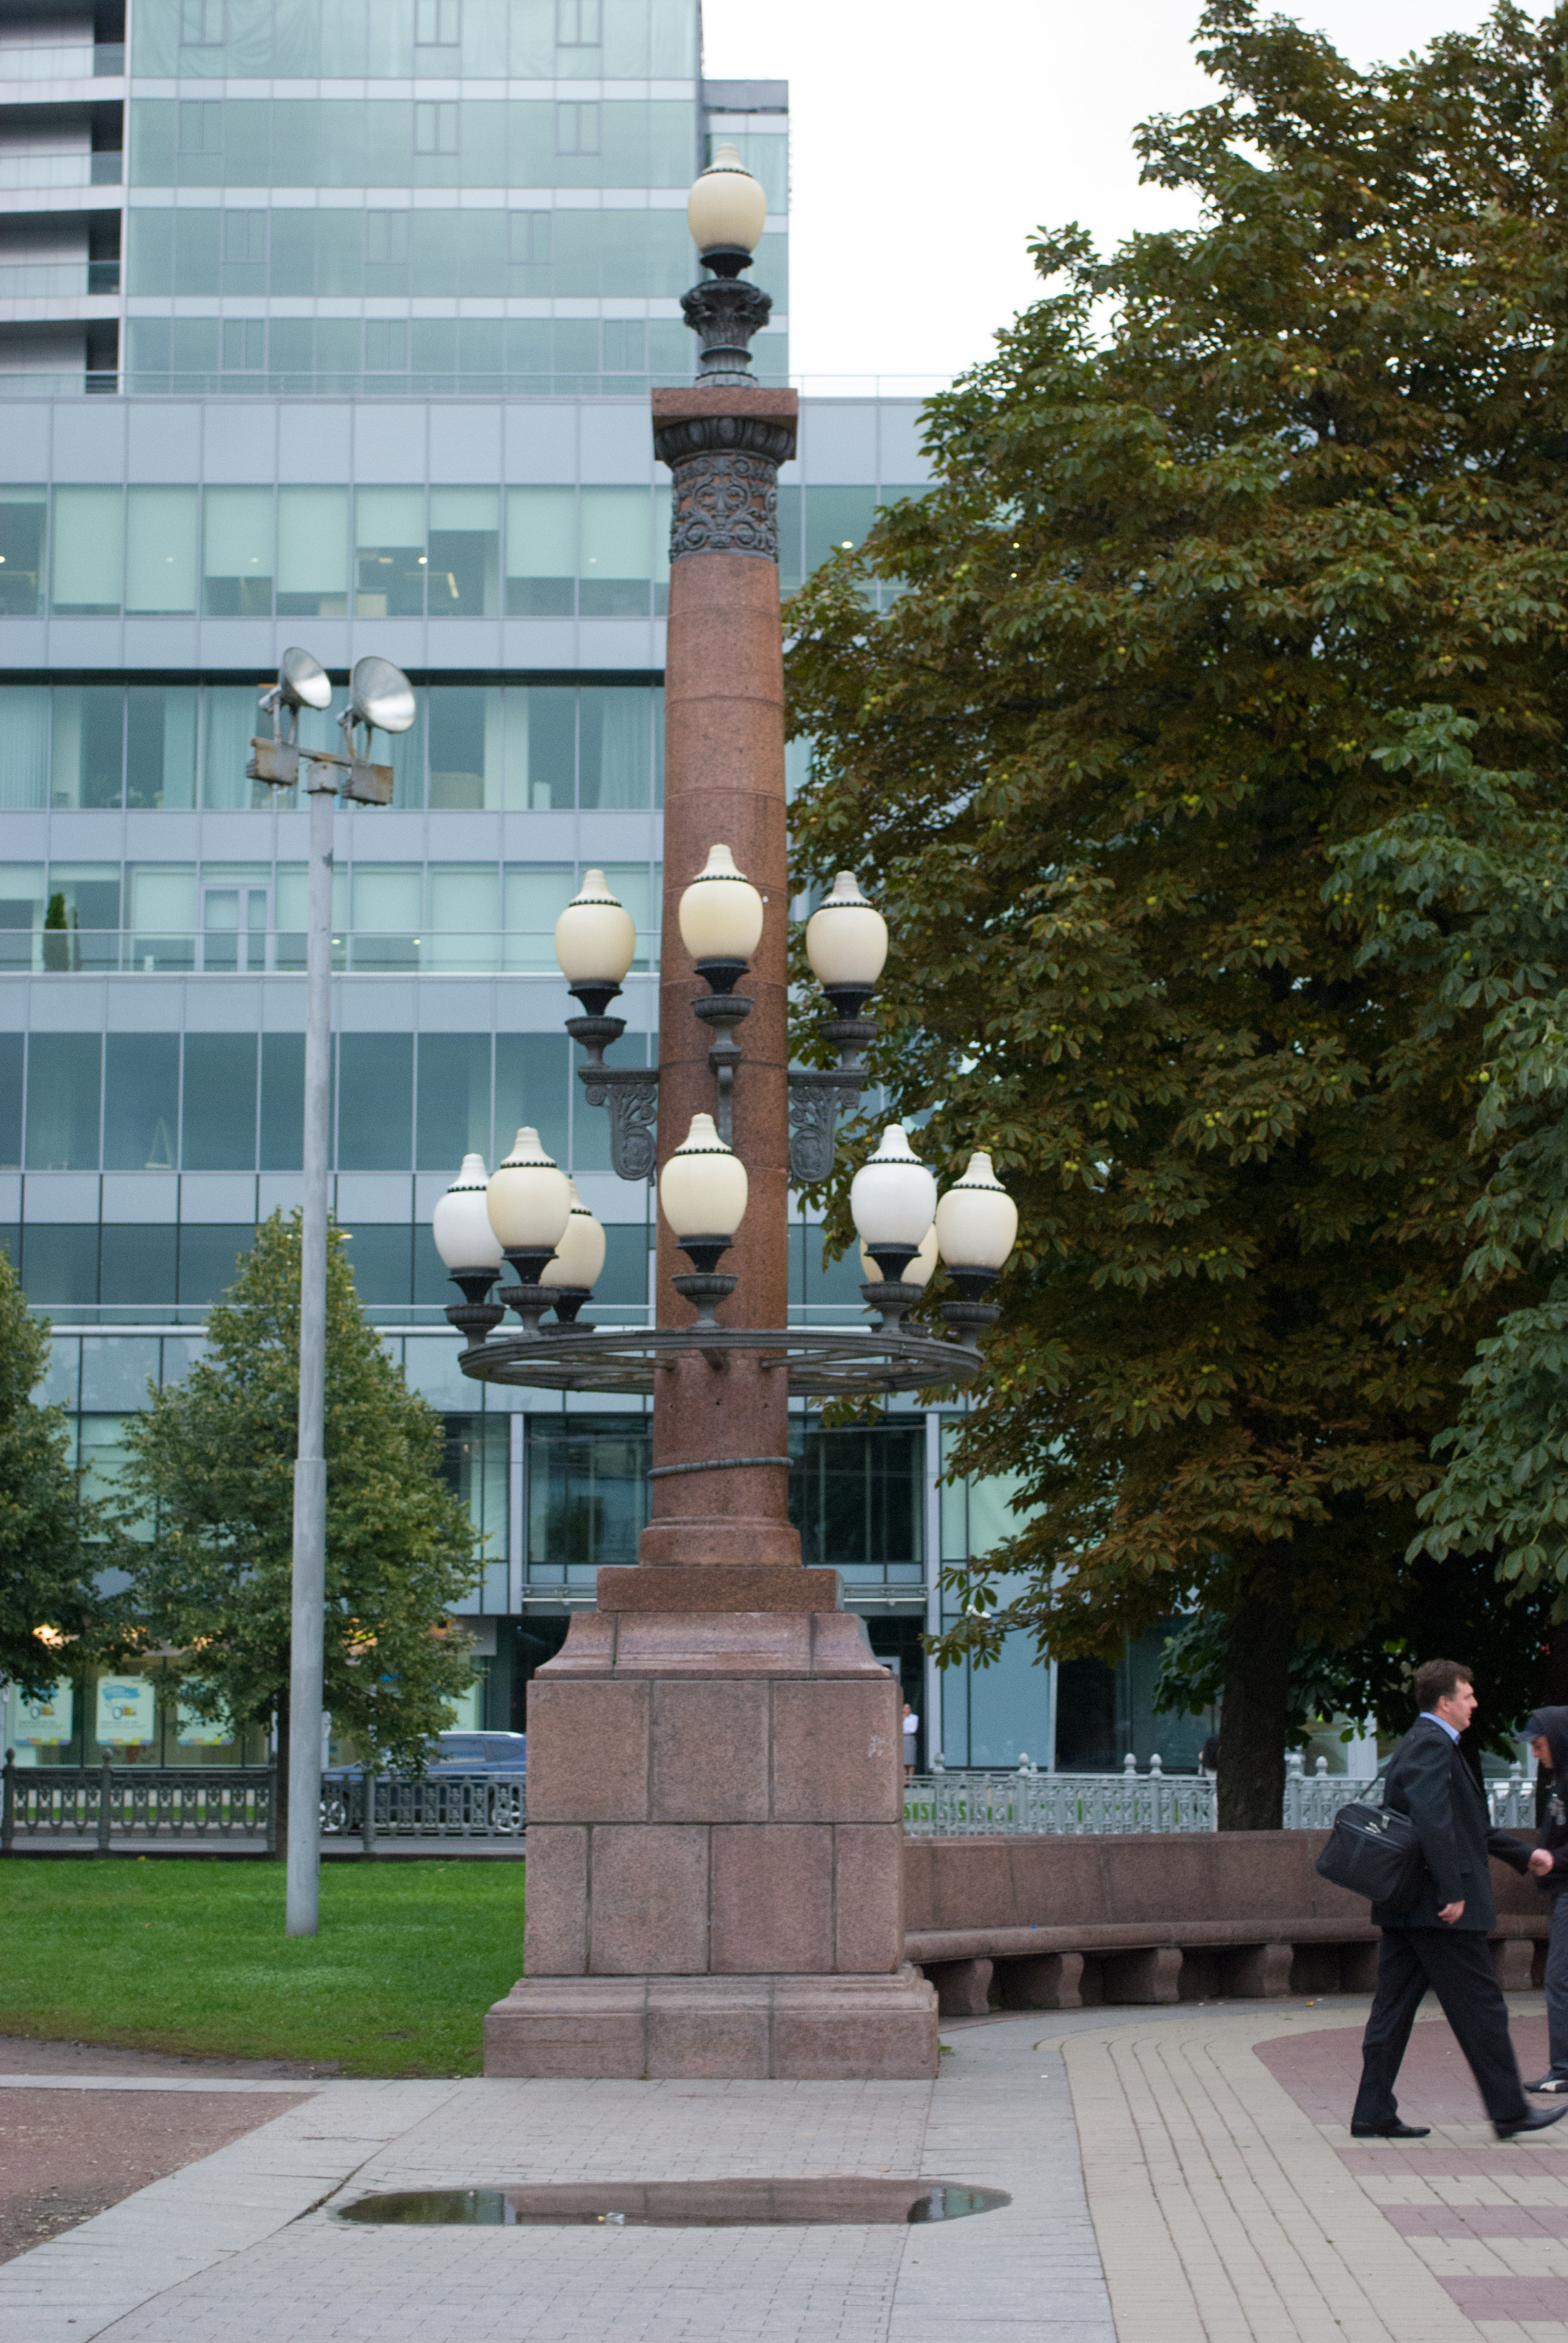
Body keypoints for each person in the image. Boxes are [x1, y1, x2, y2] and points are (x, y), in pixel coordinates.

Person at [1351, 1657, 1565, 2143]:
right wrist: (1452, 1890)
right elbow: (1431, 1820)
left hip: (1411, 1906)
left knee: (1393, 2009)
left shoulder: (1425, 1742)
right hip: (1439, 1908)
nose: (1474, 1704)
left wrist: (1527, 1854)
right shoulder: (1431, 1745)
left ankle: (1371, 2111)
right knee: (1483, 2008)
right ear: (1445, 1702)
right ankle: (1509, 2111)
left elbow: (1470, 1826)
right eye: (1467, 1696)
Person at [1521, 1706, 1568, 2093]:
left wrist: (1555, 1858)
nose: (1536, 1754)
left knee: (1559, 1978)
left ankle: (1564, 2068)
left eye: (1539, 1745)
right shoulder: (1561, 1777)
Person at [901, 1702, 920, 1780]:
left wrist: (905, 1729)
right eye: (904, 1708)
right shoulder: (900, 1717)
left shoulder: (914, 1718)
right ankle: (904, 1781)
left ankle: (911, 1781)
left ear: (910, 1709)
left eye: (907, 1708)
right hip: (902, 1738)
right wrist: (903, 1718)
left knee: (911, 1761)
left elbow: (913, 1729)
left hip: (910, 1738)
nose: (906, 1710)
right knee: (903, 1761)